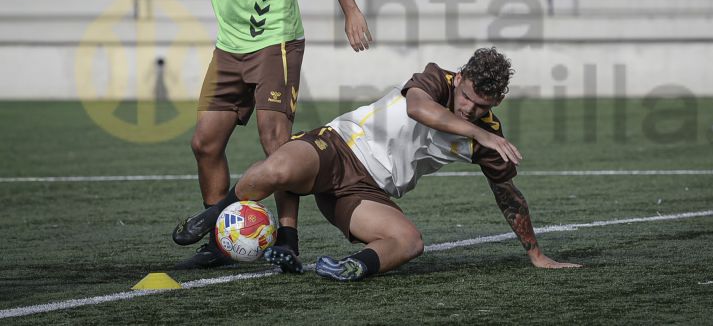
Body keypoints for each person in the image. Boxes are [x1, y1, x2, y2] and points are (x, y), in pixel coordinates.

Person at [106, 0, 372, 269]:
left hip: (274, 43)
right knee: (204, 143)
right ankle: (219, 240)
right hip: (229, 47)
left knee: (275, 143)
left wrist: (351, 10)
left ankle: (287, 240)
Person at [173, 48, 581, 280]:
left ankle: (352, 268)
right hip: (336, 147)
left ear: (498, 103)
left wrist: (535, 253)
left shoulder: (487, 139)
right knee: (277, 169)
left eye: (484, 107)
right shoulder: (438, 79)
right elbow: (420, 109)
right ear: (461, 78)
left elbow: (508, 195)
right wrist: (481, 132)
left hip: (365, 191)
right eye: (470, 97)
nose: (473, 110)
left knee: (409, 242)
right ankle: (212, 216)